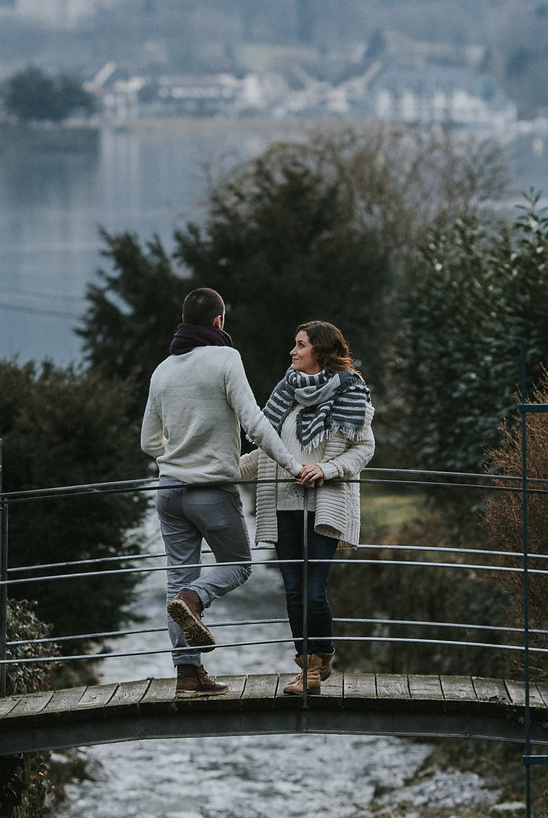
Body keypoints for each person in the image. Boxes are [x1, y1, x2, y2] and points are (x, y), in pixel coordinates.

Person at [141, 287, 309, 695]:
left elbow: (149, 441)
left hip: (168, 491)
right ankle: (195, 601)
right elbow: (253, 422)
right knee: (238, 564)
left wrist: (178, 457)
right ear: (219, 322)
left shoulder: (162, 370)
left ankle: (188, 675)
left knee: (177, 576)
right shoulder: (225, 358)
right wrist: (292, 465)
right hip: (211, 490)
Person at [240, 320, 374, 695]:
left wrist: (327, 469)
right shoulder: (285, 393)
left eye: (300, 345)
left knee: (314, 592)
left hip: (325, 505)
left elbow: (364, 448)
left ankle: (323, 653)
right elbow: (267, 450)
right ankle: (309, 669)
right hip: (282, 505)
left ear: (321, 351)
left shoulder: (352, 393)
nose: (292, 351)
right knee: (294, 593)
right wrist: (219, 470)